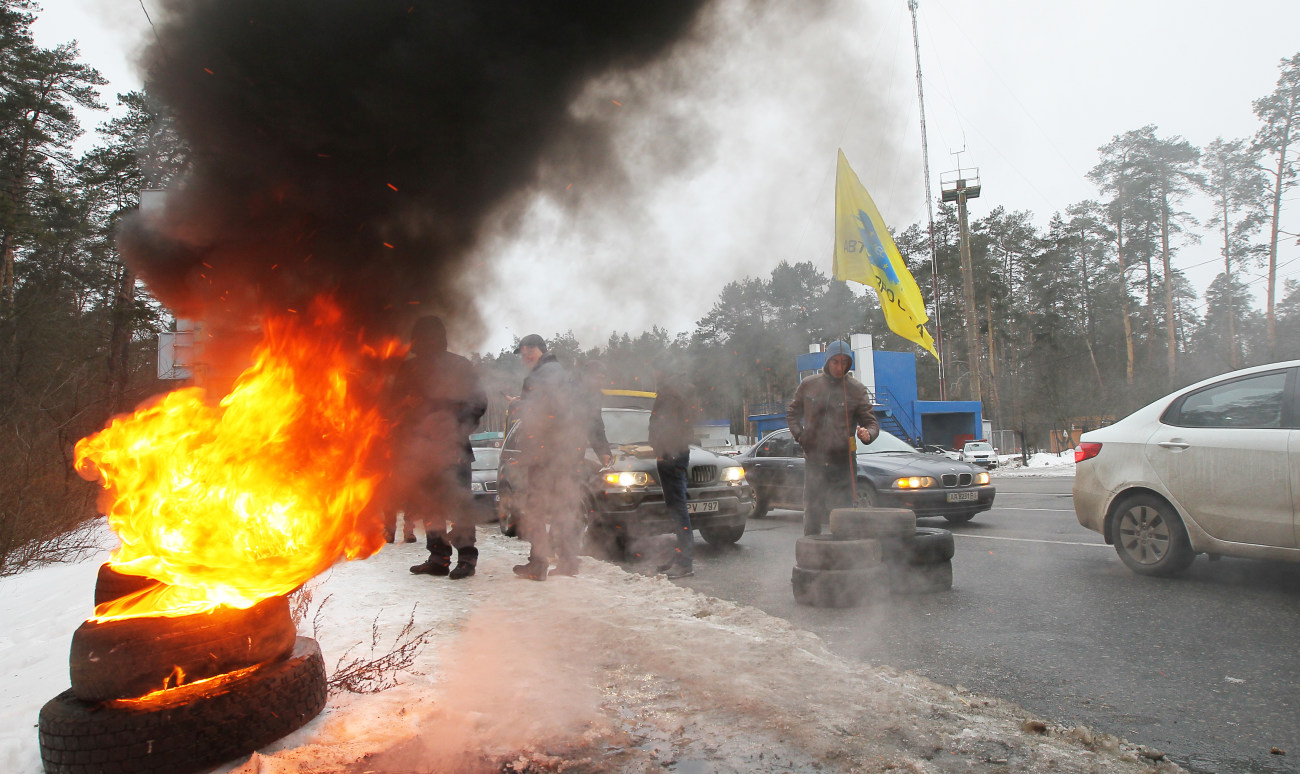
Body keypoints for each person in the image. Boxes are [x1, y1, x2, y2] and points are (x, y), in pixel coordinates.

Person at [390, 315, 488, 580]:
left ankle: (466, 558)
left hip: (452, 447)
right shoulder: (409, 370)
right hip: (422, 450)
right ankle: (439, 556)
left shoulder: (460, 367)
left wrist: (455, 429)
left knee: (458, 504)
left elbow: (478, 402)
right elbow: (395, 406)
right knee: (430, 504)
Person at [511, 334, 607, 580]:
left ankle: (538, 564)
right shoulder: (565, 375)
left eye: (523, 353)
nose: (523, 359)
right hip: (567, 453)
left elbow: (536, 417)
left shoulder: (538, 376)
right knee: (565, 506)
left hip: (544, 454)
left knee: (536, 507)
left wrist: (517, 407)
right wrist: (601, 449)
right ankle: (568, 562)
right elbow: (586, 415)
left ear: (533, 350)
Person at [785, 340, 879, 536]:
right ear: (827, 362)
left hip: (844, 461)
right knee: (812, 509)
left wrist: (867, 434)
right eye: (835, 361)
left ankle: (843, 553)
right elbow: (792, 413)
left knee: (842, 510)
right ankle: (810, 553)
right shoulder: (809, 384)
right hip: (815, 459)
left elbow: (872, 423)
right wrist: (800, 436)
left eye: (844, 362)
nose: (839, 367)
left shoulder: (856, 389)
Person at [649, 356, 698, 579]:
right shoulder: (679, 390)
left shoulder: (670, 392)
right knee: (675, 508)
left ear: (662, 371)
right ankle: (679, 556)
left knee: (678, 509)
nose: (653, 375)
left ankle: (685, 562)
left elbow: (666, 425)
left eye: (655, 370)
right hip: (675, 451)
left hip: (671, 453)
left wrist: (661, 449)